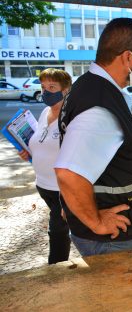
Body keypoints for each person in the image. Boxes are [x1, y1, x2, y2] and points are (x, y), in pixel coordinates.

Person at [54, 18, 132, 256]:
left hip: (110, 237)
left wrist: (72, 205)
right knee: (115, 294)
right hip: (109, 240)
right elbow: (68, 173)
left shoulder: (92, 87)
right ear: (128, 58)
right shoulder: (100, 106)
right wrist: (95, 221)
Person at [17, 68, 72, 264]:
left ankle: (56, 269)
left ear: (65, 90)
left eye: (52, 87)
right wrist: (29, 153)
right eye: (43, 87)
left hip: (61, 188)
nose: (46, 92)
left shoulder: (70, 117)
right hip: (44, 185)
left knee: (57, 229)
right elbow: (40, 142)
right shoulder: (45, 112)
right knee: (60, 225)